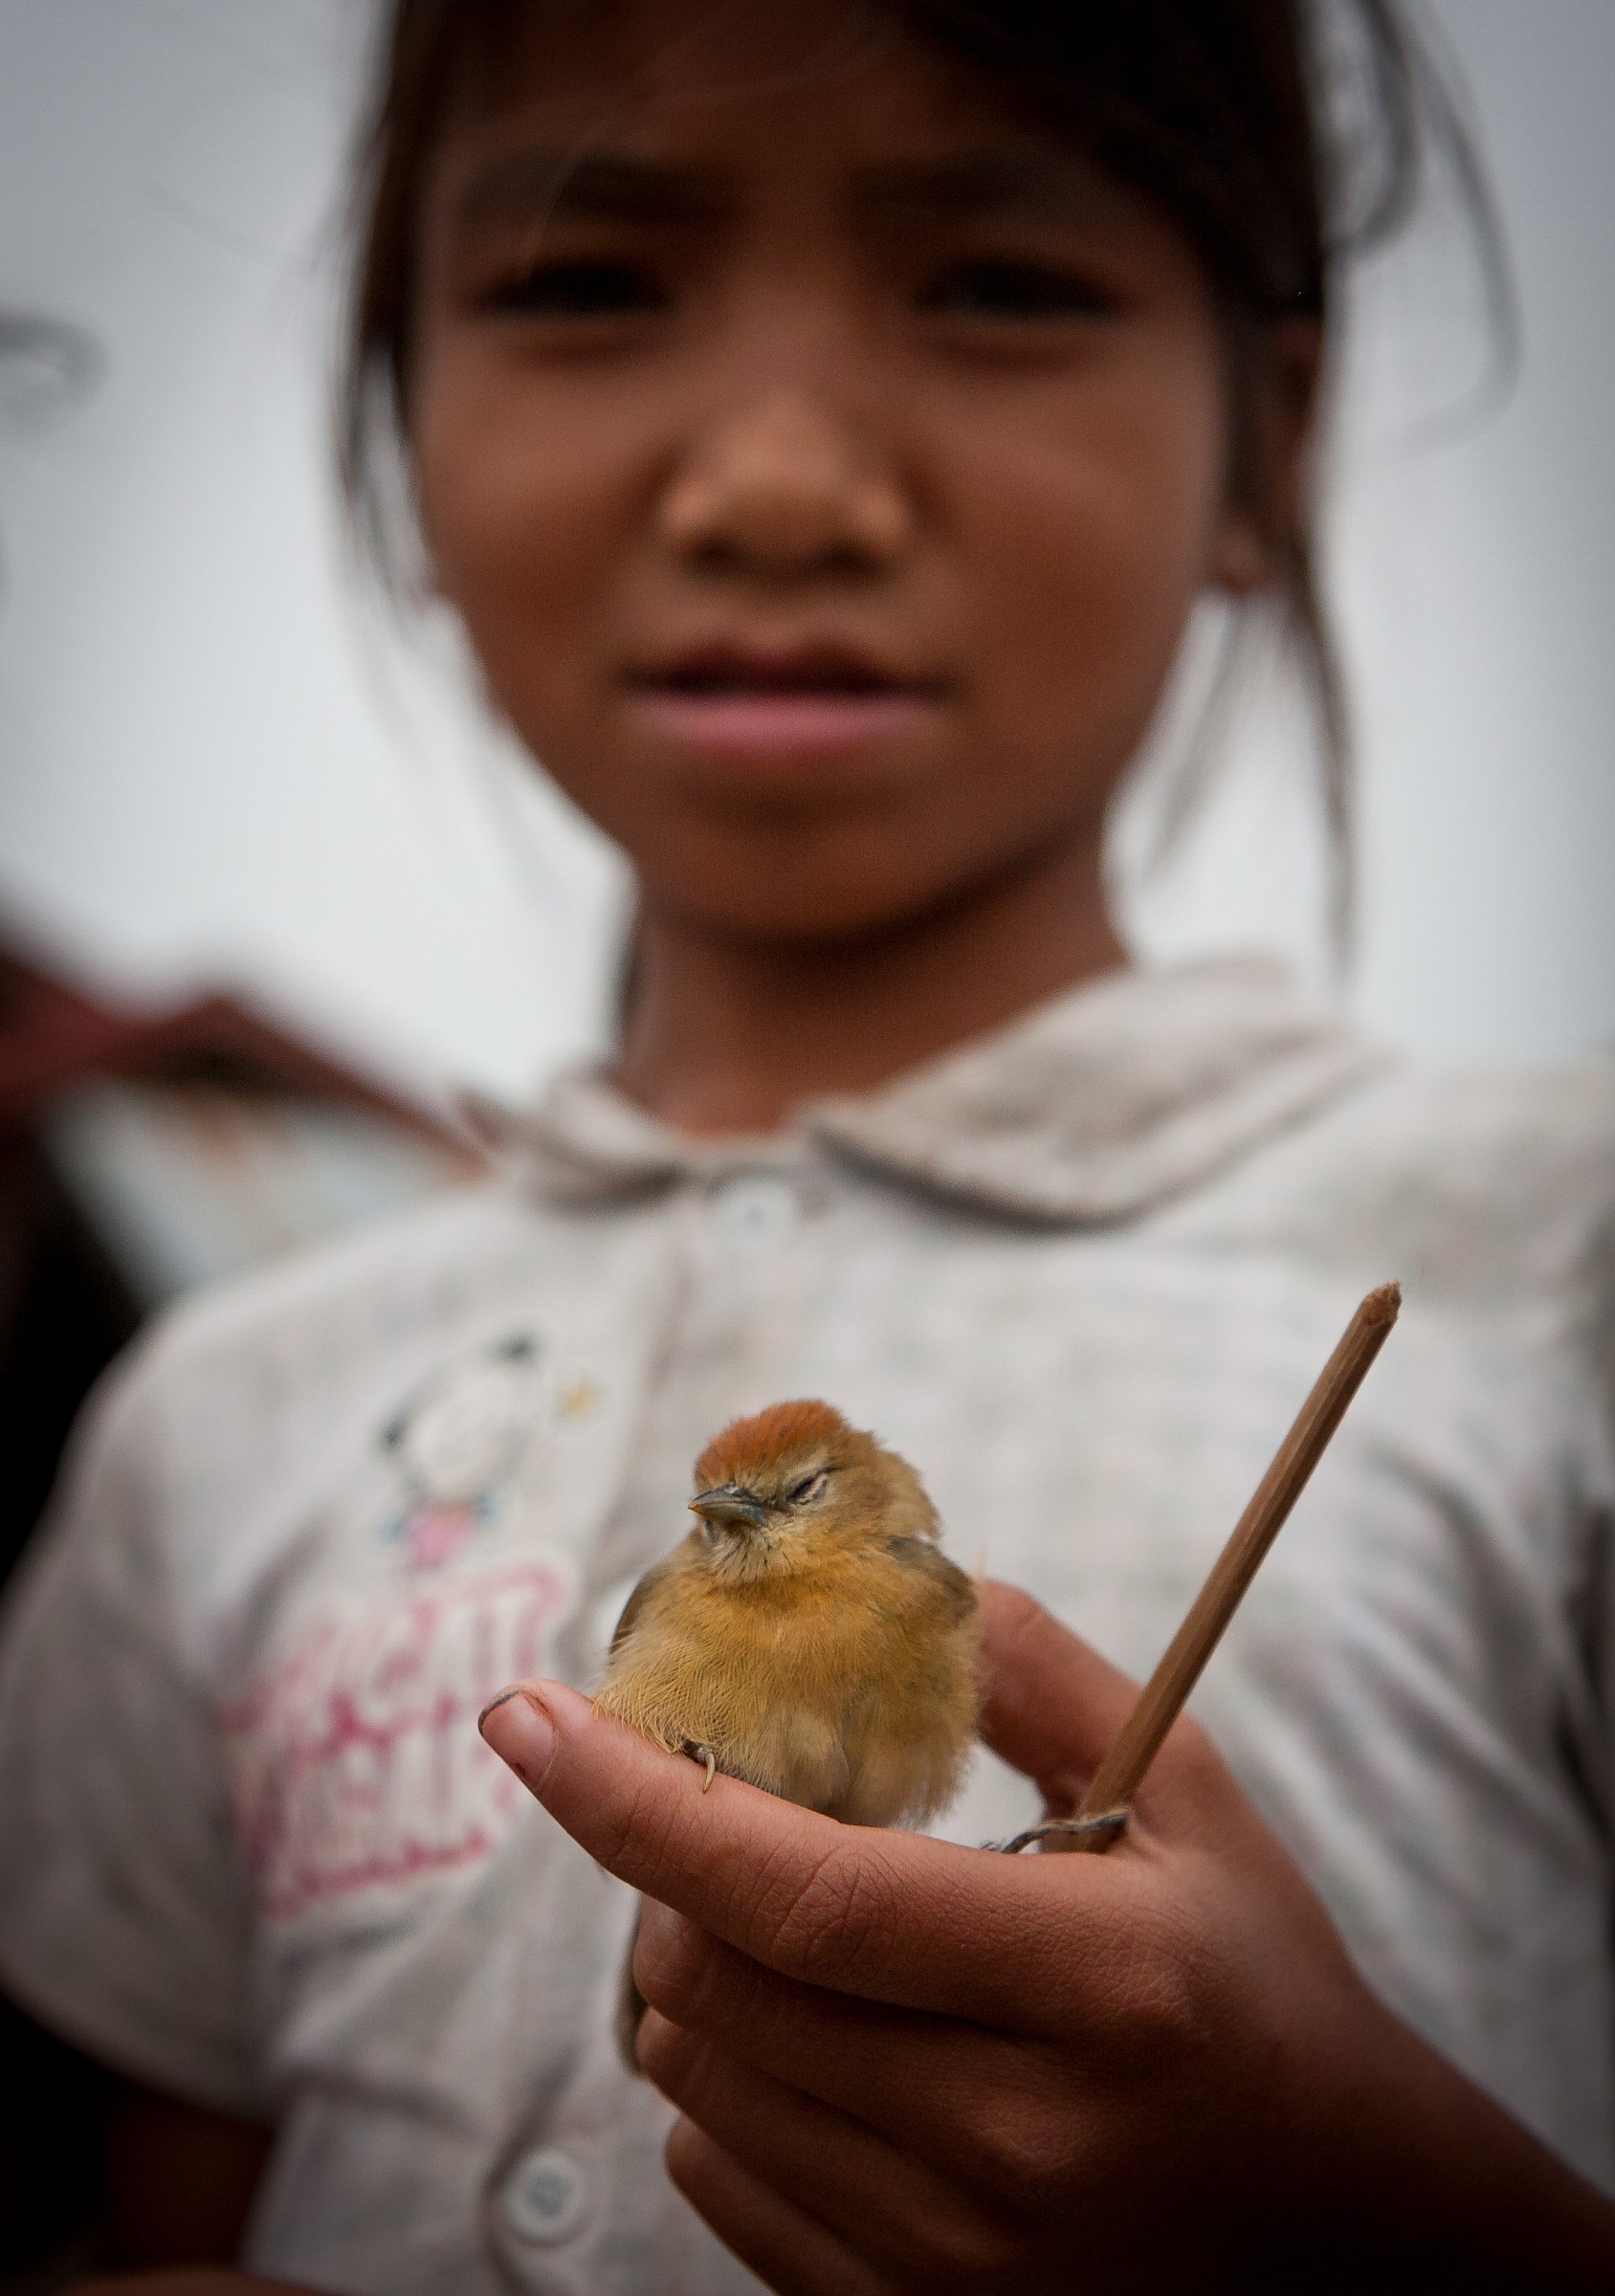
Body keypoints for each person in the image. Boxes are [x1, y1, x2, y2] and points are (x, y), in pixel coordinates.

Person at [1, 0, 1612, 2288]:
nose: (774, 483)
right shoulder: (215, 1416)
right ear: (397, 432)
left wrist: (1389, 2230)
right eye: (585, 282)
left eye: (999, 287)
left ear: (1274, 442)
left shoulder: (1548, 1258)